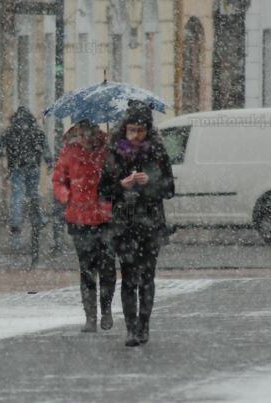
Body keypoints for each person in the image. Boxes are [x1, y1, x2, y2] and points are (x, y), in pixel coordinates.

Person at [99, 100, 175, 346]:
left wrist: (149, 181)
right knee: (129, 277)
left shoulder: (158, 152)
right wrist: (121, 185)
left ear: (148, 130)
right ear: (125, 128)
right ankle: (131, 329)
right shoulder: (114, 153)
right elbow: (103, 190)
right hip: (124, 224)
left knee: (147, 277)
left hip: (151, 224)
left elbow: (169, 188)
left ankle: (144, 325)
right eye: (132, 130)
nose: (135, 135)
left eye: (140, 130)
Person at [53, 120, 116, 332]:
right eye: (82, 133)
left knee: (107, 267)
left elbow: (116, 176)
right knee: (87, 269)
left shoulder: (107, 149)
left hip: (105, 216)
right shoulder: (69, 152)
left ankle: (106, 311)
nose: (86, 137)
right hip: (79, 217)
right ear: (77, 132)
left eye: (89, 132)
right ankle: (90, 316)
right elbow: (58, 180)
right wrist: (67, 196)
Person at [0, 107, 53, 254]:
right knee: (33, 193)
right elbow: (45, 147)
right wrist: (49, 161)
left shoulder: (10, 131)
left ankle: (16, 221)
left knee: (17, 195)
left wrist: (2, 154)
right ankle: (39, 217)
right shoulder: (36, 130)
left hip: (16, 167)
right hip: (33, 166)